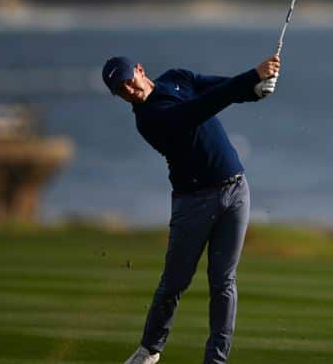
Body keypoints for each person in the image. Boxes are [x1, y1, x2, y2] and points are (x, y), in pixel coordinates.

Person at [101, 54, 280, 364]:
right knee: (175, 282)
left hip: (237, 190)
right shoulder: (149, 120)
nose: (128, 90)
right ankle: (150, 350)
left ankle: (216, 360)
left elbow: (222, 88)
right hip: (193, 202)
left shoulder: (177, 78)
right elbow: (201, 107)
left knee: (223, 281)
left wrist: (256, 89)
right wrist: (253, 75)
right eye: (120, 90)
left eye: (129, 81)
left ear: (140, 70)